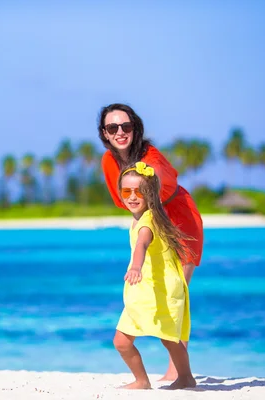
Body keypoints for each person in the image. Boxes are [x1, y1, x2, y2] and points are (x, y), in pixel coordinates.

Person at [98, 103, 204, 381]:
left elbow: (161, 177)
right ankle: (177, 372)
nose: (120, 132)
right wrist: (139, 211)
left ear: (135, 128)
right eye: (113, 127)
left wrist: (148, 186)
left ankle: (178, 372)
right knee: (156, 289)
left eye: (126, 126)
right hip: (147, 216)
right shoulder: (108, 161)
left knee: (175, 295)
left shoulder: (150, 154)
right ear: (105, 133)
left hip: (178, 217)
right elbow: (120, 195)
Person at [114, 161, 196, 390]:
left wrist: (135, 267)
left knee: (169, 339)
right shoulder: (140, 218)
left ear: (150, 194)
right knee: (121, 341)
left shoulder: (148, 222)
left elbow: (142, 244)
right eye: (126, 191)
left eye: (139, 191)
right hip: (144, 290)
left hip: (162, 288)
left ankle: (186, 378)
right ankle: (142, 380)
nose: (132, 196)